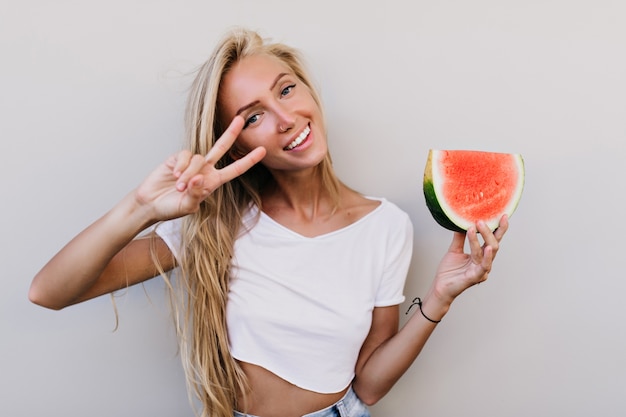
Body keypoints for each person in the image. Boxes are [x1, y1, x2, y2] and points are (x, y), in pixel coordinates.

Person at [29, 28, 509, 417]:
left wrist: (440, 298)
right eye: (253, 116)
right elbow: (49, 292)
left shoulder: (387, 226)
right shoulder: (217, 224)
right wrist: (141, 208)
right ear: (234, 146)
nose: (285, 118)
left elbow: (369, 384)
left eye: (286, 89)